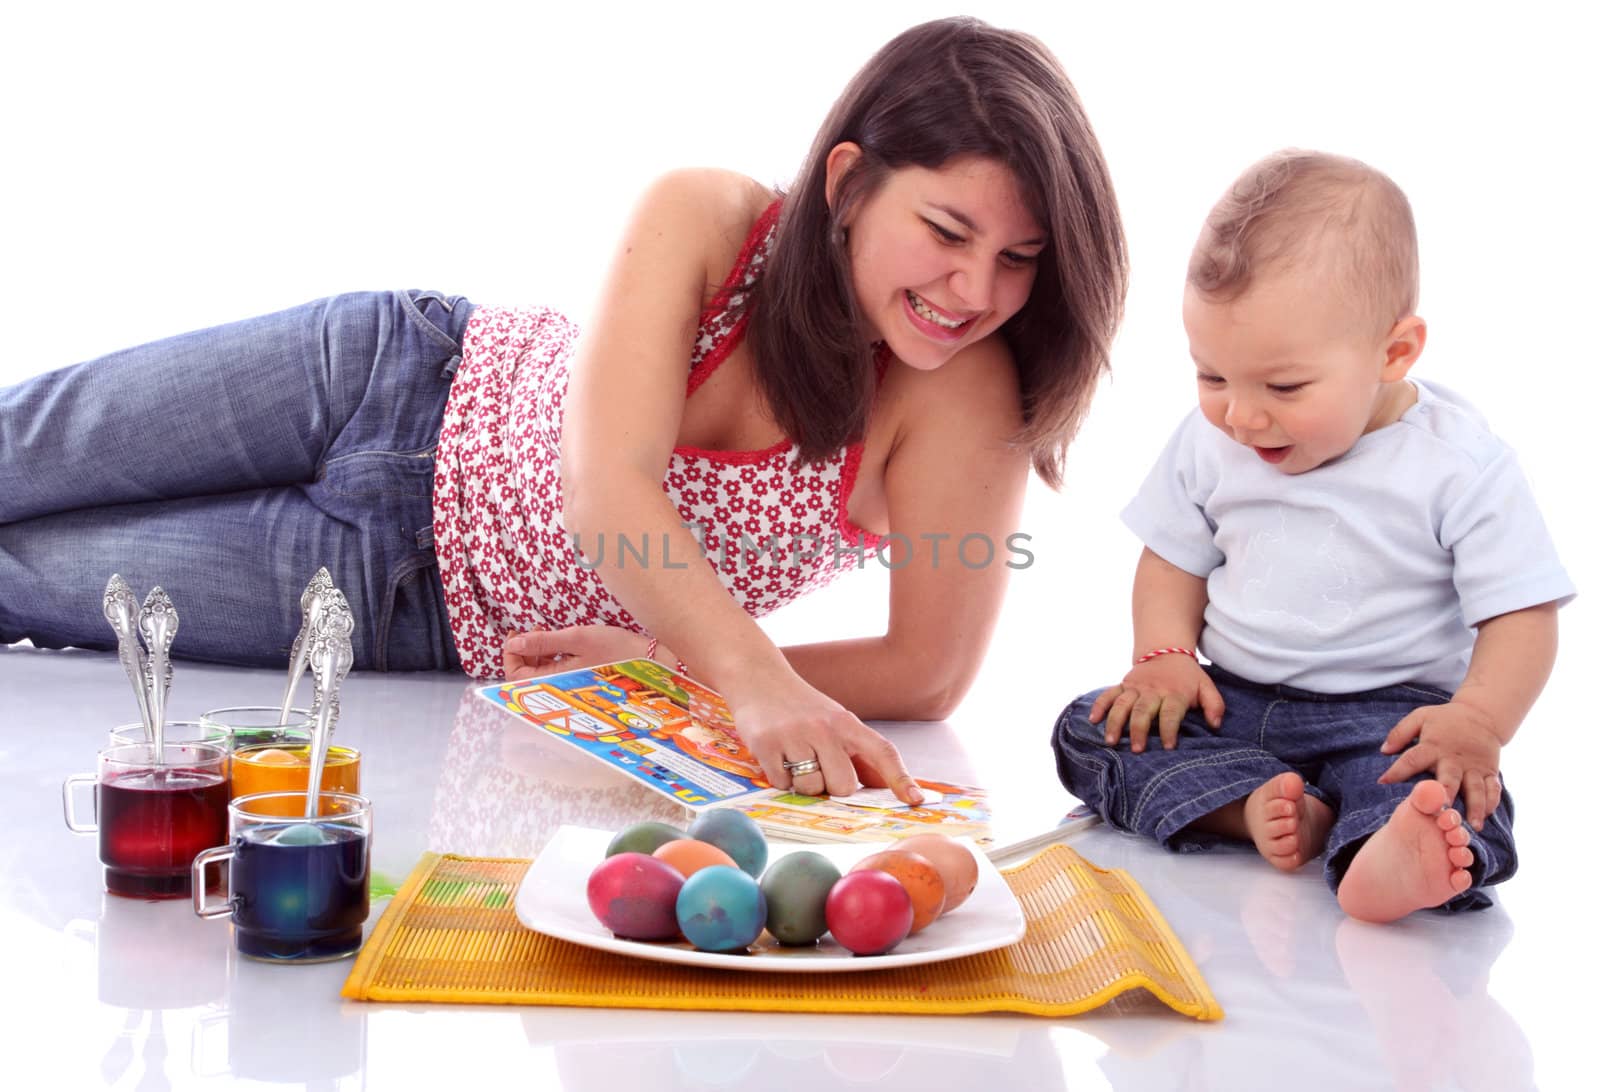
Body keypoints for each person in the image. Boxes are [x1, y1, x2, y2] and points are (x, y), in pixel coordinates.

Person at [0, 17, 1128, 802]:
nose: (975, 291)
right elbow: (608, 488)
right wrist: (741, 678)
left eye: (1019, 258)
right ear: (848, 184)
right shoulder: (710, 214)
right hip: (387, 372)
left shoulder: (964, 393)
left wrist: (667, 668)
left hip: (409, 604)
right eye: (946, 232)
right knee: (21, 446)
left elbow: (926, 670)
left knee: (24, 580)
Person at [1051, 150, 1574, 922]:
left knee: (1449, 793)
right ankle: (1252, 807)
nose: (1242, 415)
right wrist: (1161, 656)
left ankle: (1386, 852)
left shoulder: (1458, 464)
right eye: (1212, 376)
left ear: (1394, 352)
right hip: (1231, 703)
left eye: (1284, 387)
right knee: (1087, 729)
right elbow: (1171, 560)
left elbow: (1522, 614)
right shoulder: (1211, 442)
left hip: (1386, 720)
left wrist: (1477, 723)